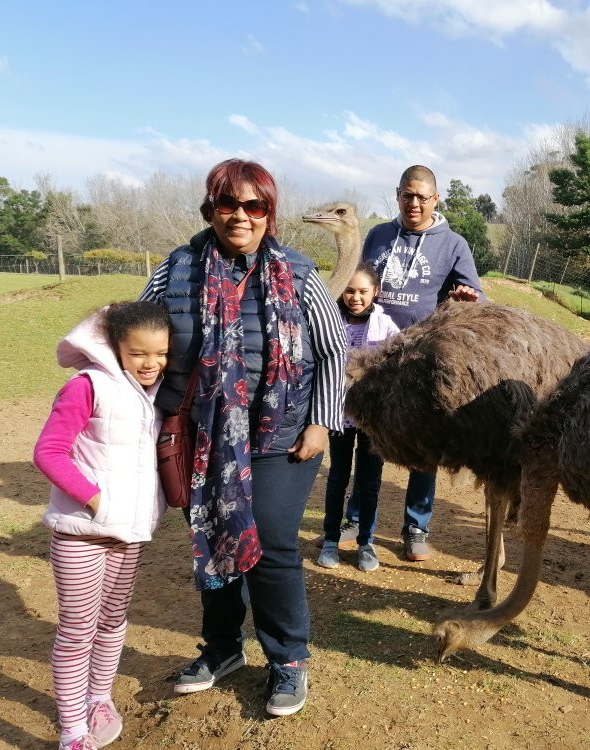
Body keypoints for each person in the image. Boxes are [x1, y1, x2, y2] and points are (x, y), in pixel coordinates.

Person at [139, 159, 347, 717]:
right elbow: (139, 342)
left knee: (274, 542)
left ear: (268, 213)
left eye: (253, 206)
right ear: (210, 210)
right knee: (213, 538)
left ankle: (288, 659)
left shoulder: (300, 275)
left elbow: (332, 353)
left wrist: (321, 421)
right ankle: (224, 648)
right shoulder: (175, 271)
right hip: (202, 440)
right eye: (227, 204)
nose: (240, 216)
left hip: (282, 439)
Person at [34, 301, 170, 750]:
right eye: (139, 354)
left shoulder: (151, 391)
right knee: (77, 630)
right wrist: (94, 499)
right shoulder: (86, 386)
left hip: (129, 533)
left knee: (112, 622)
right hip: (82, 533)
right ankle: (72, 730)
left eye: (161, 354)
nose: (151, 364)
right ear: (115, 347)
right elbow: (49, 452)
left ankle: (99, 698)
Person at [349, 164, 484, 562]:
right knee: (369, 440)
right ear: (397, 194)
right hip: (374, 354)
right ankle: (357, 521)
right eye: (408, 195)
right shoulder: (378, 235)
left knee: (424, 446)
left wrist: (467, 297)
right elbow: (359, 279)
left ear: (435, 200)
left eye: (422, 197)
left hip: (424, 357)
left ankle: (416, 527)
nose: (414, 203)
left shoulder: (453, 243)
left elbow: (475, 293)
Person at [317, 263, 400, 573]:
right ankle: (329, 540)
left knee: (369, 481)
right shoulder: (330, 322)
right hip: (339, 415)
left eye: (363, 291)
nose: (355, 297)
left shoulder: (387, 327)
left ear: (375, 292)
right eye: (350, 291)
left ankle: (366, 541)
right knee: (337, 476)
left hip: (371, 419)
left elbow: (397, 365)